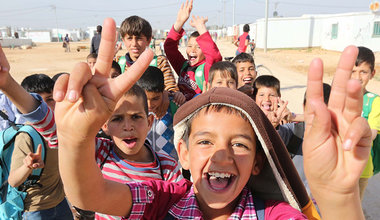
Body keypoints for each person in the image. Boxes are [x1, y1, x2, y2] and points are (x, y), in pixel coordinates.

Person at [51, 19, 367, 219]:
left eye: (240, 144)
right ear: (184, 155)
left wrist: (339, 201)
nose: (221, 154)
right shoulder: (164, 200)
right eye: (205, 140)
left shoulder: (274, 214)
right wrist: (75, 139)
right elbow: (89, 195)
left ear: (257, 163)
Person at [0, 47, 183, 220]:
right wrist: (7, 83)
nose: (128, 126)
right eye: (117, 119)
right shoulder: (101, 152)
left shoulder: (166, 165)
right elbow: (57, 130)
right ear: (104, 126)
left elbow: (178, 208)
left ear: (149, 122)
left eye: (136, 117)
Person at [7, 74, 73, 219]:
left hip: (61, 203)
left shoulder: (61, 129)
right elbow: (13, 180)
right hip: (36, 209)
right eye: (39, 102)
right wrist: (27, 166)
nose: (46, 107)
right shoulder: (27, 136)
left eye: (50, 99)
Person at [164, 0, 222, 100]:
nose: (193, 50)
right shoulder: (183, 67)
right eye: (190, 46)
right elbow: (169, 48)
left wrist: (201, 28)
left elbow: (214, 56)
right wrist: (179, 22)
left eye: (198, 47)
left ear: (205, 51)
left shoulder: (207, 69)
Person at [117, 15, 179, 93]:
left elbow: (171, 89)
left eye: (139, 38)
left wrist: (168, 94)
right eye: (129, 38)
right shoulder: (118, 62)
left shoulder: (159, 62)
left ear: (148, 40)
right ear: (123, 40)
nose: (134, 44)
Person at [351, 46, 380, 201]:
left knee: (354, 206)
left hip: (362, 167)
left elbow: (373, 133)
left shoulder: (374, 102)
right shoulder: (339, 98)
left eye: (363, 72)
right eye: (353, 71)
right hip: (340, 164)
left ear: (372, 74)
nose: (357, 77)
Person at [136, 66, 180, 161]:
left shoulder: (173, 107)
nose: (150, 104)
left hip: (170, 166)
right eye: (145, 98)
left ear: (163, 91)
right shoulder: (132, 110)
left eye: (155, 99)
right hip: (144, 164)